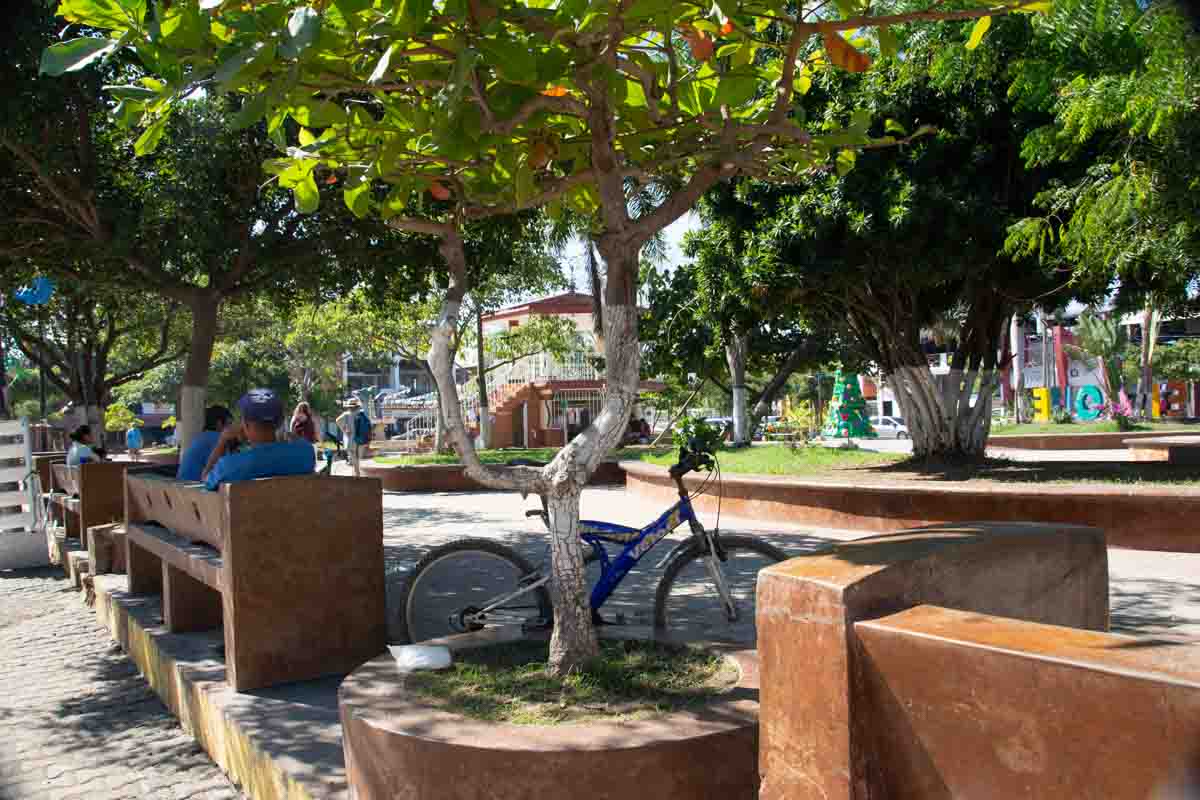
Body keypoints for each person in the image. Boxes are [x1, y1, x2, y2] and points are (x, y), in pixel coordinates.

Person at [202, 389, 316, 490]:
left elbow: (205, 479)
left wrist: (222, 441)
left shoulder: (229, 466)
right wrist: (288, 436)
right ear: (280, 422)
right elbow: (297, 441)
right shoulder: (306, 453)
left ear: (245, 424)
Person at [177, 405, 232, 482]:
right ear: (219, 423)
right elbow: (225, 469)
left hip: (183, 485)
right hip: (194, 487)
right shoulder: (217, 437)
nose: (231, 427)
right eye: (229, 423)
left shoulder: (203, 436)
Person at [335, 398, 370, 478]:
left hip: (351, 439)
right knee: (357, 458)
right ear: (357, 406)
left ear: (349, 406)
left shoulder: (347, 414)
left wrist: (344, 430)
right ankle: (356, 473)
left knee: (353, 457)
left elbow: (337, 421)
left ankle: (356, 473)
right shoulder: (362, 414)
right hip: (361, 439)